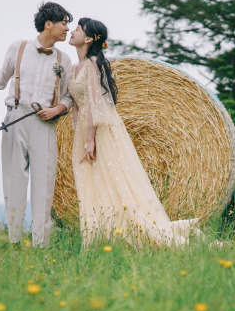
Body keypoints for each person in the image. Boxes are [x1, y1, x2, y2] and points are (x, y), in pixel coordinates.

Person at [67, 17, 199, 247]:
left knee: (111, 179)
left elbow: (95, 104)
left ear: (88, 38)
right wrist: (77, 134)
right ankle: (103, 233)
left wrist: (90, 140)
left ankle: (129, 231)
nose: (72, 31)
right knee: (93, 181)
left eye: (78, 29)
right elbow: (78, 105)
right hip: (84, 131)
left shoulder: (92, 64)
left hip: (99, 131)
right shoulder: (74, 68)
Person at [0, 2, 74, 247]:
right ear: (49, 24)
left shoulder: (64, 60)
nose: (67, 28)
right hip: (15, 118)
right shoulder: (17, 48)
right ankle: (14, 241)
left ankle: (41, 245)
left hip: (45, 125)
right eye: (64, 23)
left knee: (44, 184)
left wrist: (57, 109)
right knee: (14, 182)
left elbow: (68, 96)